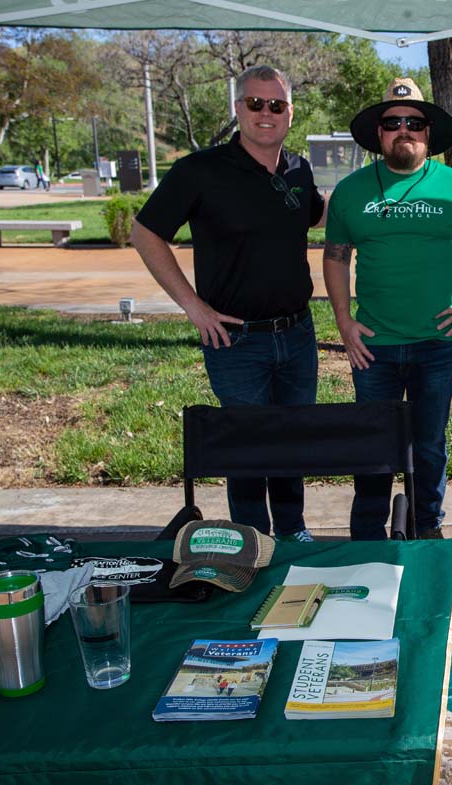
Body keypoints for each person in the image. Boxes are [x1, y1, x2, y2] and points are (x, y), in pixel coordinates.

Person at [131, 65, 325, 542]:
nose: (266, 113)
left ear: (290, 113)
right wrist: (193, 306)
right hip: (236, 341)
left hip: (298, 334)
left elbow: (319, 215)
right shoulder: (200, 171)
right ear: (238, 109)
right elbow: (145, 232)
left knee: (290, 441)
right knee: (249, 450)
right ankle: (254, 539)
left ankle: (293, 530)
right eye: (255, 104)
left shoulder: (299, 170)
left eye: (276, 105)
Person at [323, 78, 452, 541]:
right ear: (378, 133)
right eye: (393, 122)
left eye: (414, 123)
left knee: (429, 446)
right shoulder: (352, 191)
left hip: (436, 345)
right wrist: (343, 321)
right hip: (372, 345)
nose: (404, 130)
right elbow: (336, 257)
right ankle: (366, 533)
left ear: (428, 134)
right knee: (373, 445)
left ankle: (426, 528)